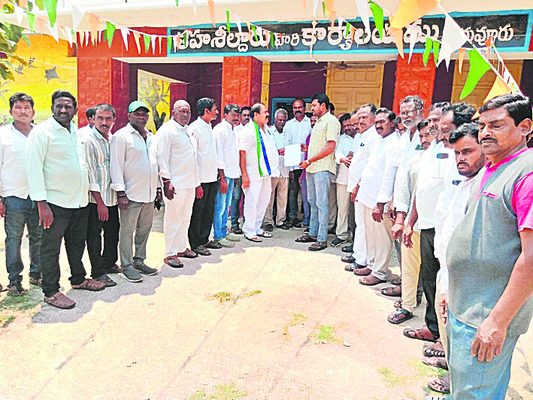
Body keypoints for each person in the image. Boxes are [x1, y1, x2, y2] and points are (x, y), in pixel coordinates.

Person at [446, 94, 533, 399]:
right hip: (466, 305)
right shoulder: (492, 167)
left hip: (487, 314)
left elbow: (531, 258)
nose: (485, 132)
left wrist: (497, 320)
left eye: (496, 125)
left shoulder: (527, 173)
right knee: (465, 389)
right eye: (482, 125)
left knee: (475, 393)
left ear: (525, 127)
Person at [403, 102, 475, 342]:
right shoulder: (432, 149)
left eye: (443, 127)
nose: (435, 128)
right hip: (427, 225)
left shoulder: (465, 156)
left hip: (449, 230)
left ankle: (446, 340)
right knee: (431, 279)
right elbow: (421, 188)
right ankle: (434, 328)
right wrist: (410, 221)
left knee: (450, 285)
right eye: (435, 123)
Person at [26, 90, 105, 309]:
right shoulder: (41, 133)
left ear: (75, 110)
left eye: (68, 106)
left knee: (77, 243)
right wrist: (42, 203)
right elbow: (33, 168)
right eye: (59, 105)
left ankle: (78, 279)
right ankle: (51, 291)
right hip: (54, 204)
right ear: (52, 108)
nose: (63, 110)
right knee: (51, 248)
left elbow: (83, 165)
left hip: (78, 201)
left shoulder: (75, 133)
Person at [424, 122, 486, 395]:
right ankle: (453, 370)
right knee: (448, 327)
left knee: (463, 333)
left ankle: (459, 382)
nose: (461, 158)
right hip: (446, 268)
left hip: (467, 277)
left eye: (468, 151)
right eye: (457, 152)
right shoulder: (459, 180)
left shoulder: (485, 184)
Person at [387, 119, 435, 324]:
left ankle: (434, 320)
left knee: (433, 273)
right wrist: (402, 220)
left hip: (436, 226)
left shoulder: (448, 159)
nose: (424, 140)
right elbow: (405, 191)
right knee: (409, 267)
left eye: (428, 135)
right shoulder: (415, 161)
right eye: (421, 136)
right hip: (413, 223)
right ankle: (407, 306)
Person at [377, 95, 425, 297]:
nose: (405, 116)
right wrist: (391, 200)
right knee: (402, 247)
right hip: (401, 203)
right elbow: (397, 171)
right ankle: (407, 286)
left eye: (409, 112)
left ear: (421, 112)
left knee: (415, 250)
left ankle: (413, 292)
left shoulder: (425, 137)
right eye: (402, 112)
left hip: (419, 204)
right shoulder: (405, 137)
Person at [111, 100, 160, 283]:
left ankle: (139, 260)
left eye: (144, 114)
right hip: (130, 195)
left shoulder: (151, 137)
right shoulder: (121, 137)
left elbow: (154, 164)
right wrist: (120, 193)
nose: (141, 117)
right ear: (129, 115)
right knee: (127, 231)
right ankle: (126, 265)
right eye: (137, 113)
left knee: (144, 229)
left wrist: (158, 188)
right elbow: (116, 165)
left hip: (148, 194)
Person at [351, 108, 400, 285]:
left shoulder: (394, 143)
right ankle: (371, 265)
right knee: (370, 235)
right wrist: (358, 185)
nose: (378, 125)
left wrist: (381, 203)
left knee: (381, 238)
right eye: (377, 122)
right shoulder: (379, 140)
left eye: (382, 122)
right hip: (367, 194)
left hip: (379, 200)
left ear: (392, 123)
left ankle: (380, 272)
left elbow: (389, 175)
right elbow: (370, 166)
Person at [0, 93, 42, 296]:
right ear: (11, 111)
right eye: (18, 107)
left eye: (27, 108)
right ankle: (14, 280)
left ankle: (37, 274)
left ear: (33, 112)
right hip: (13, 195)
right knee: (14, 239)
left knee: (38, 237)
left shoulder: (40, 134)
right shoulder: (3, 135)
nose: (23, 111)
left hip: (39, 196)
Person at [157, 100, 201, 268]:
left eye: (188, 111)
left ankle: (181, 248)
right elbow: (162, 157)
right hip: (175, 184)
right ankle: (170, 253)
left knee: (185, 217)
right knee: (173, 219)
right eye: (182, 111)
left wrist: (197, 183)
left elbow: (193, 158)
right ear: (173, 112)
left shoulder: (187, 130)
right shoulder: (167, 131)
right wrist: (166, 181)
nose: (185, 114)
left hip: (189, 183)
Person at [81, 103, 121, 288]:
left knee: (113, 232)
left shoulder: (113, 139)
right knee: (94, 236)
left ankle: (108, 263)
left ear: (113, 120)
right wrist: (100, 203)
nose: (104, 122)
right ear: (94, 119)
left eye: (108, 118)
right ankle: (98, 272)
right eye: (100, 118)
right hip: (95, 200)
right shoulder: (88, 141)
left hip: (111, 197)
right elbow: (90, 174)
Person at [295, 93, 340, 251]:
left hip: (322, 168)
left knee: (321, 203)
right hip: (312, 168)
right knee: (312, 202)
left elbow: (330, 147)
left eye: (314, 105)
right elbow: (321, 145)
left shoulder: (331, 121)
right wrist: (307, 150)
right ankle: (313, 233)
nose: (312, 108)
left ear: (323, 105)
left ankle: (321, 238)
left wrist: (309, 160)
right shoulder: (319, 122)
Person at [343, 104, 378, 270]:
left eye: (365, 117)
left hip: (365, 188)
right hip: (359, 188)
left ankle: (363, 259)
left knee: (365, 225)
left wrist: (358, 185)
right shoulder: (363, 135)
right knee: (360, 223)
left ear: (374, 118)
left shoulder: (374, 136)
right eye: (360, 117)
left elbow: (371, 165)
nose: (361, 121)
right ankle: (358, 254)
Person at [238, 103, 275, 242]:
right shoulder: (248, 130)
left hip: (266, 172)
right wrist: (244, 175)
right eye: (264, 112)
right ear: (256, 115)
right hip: (253, 172)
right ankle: (249, 230)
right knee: (252, 202)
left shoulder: (266, 129)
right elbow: (242, 153)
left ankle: (257, 227)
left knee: (263, 200)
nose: (267, 114)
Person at [188, 97, 219, 256]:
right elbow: (193, 157)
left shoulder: (209, 127)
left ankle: (204, 238)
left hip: (211, 177)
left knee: (208, 210)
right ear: (206, 111)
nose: (217, 112)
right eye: (214, 109)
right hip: (200, 180)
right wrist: (197, 183)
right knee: (198, 212)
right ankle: (196, 243)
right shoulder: (195, 128)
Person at [212, 103, 242, 247]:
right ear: (225, 115)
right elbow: (219, 155)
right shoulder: (220, 130)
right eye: (233, 115)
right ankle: (218, 235)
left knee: (227, 206)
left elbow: (233, 154)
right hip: (223, 175)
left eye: (237, 115)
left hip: (232, 174)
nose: (236, 118)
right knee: (220, 206)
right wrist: (222, 178)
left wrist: (236, 175)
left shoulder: (234, 130)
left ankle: (224, 232)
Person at [285, 98, 312, 227]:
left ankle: (308, 218)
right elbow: (287, 144)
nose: (297, 110)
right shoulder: (289, 125)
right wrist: (290, 168)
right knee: (293, 192)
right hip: (294, 164)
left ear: (304, 109)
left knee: (308, 194)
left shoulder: (310, 123)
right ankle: (292, 217)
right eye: (295, 108)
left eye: (300, 107)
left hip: (308, 163)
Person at [263, 108, 290, 231]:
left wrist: (292, 169)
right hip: (273, 169)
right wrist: (277, 151)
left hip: (285, 169)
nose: (282, 122)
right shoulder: (269, 132)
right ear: (275, 119)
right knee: (269, 196)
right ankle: (268, 221)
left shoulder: (288, 133)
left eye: (284, 120)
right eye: (279, 120)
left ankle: (280, 220)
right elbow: (266, 149)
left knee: (283, 197)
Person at [332, 113, 355, 247]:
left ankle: (356, 237)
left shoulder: (362, 137)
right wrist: (344, 159)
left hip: (360, 180)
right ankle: (341, 234)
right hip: (343, 178)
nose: (347, 128)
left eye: (350, 125)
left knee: (356, 212)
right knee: (343, 209)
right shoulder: (341, 139)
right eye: (345, 126)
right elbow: (337, 153)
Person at [230, 105, 250, 234]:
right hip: (237, 170)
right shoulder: (235, 131)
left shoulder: (253, 131)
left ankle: (248, 224)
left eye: (249, 115)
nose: (247, 117)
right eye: (244, 115)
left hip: (250, 170)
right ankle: (234, 224)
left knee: (248, 199)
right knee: (236, 197)